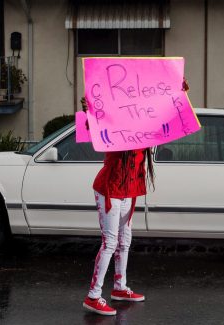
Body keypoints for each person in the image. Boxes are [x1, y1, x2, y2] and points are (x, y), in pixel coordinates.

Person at [81, 98, 155, 316]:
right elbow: (92, 130)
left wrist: (178, 93)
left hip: (128, 191)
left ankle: (119, 288)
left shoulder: (146, 131)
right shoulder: (115, 128)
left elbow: (168, 119)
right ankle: (93, 296)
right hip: (110, 189)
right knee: (110, 242)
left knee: (125, 240)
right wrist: (90, 112)